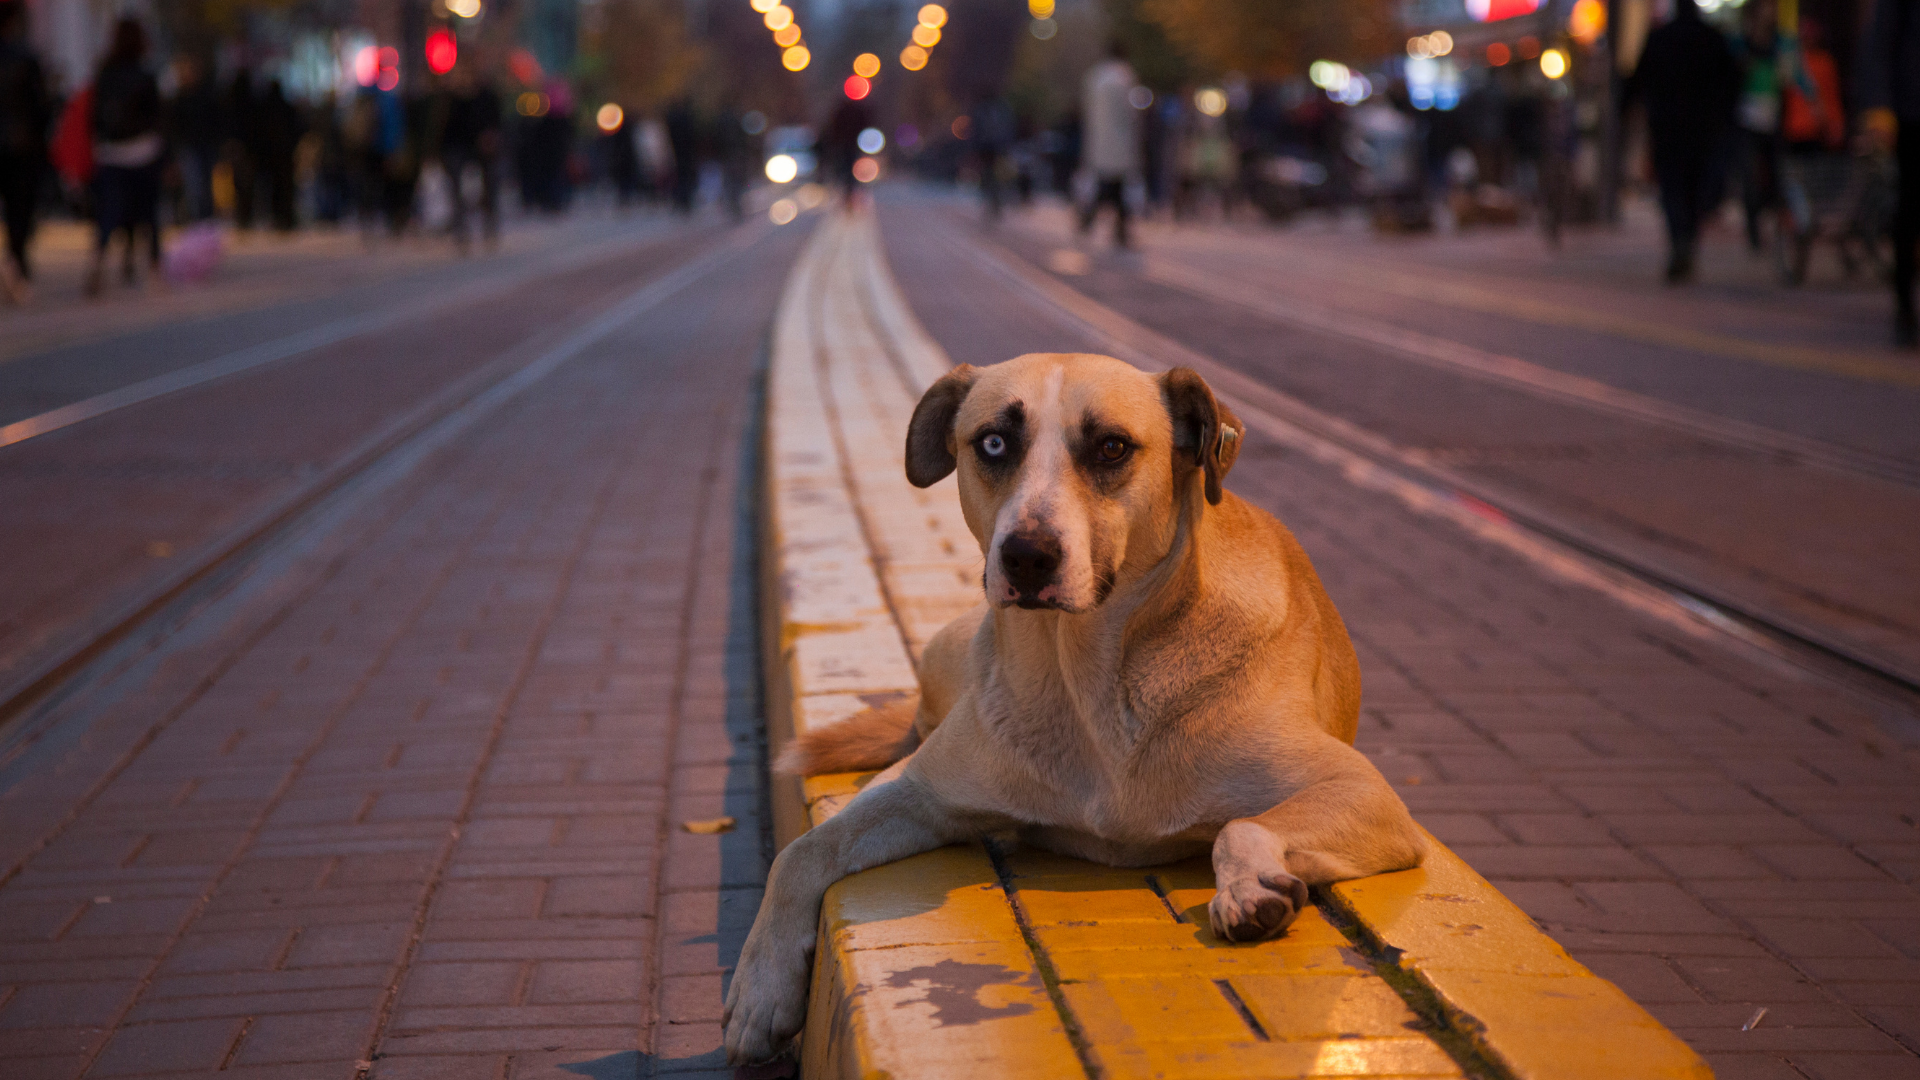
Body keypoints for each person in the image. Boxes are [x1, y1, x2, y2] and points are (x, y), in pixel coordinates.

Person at [1626, 0, 1741, 283]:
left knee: (1673, 188)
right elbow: (1733, 82)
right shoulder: (1712, 39)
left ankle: (1680, 241)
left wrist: (1629, 110)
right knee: (1694, 189)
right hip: (1702, 130)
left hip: (1668, 129)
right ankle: (1686, 241)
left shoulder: (1659, 38)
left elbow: (1636, 81)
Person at [87, 18, 165, 296]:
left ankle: (98, 260)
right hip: (143, 150)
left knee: (110, 211)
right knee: (149, 212)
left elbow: (95, 117)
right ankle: (155, 271)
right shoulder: (145, 74)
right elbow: (157, 117)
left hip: (111, 152)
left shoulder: (105, 75)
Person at [1858, 0, 1920, 345]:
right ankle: (1904, 308)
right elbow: (1881, 43)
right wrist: (1880, 108)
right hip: (1912, 112)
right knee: (1909, 208)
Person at [0, 0, 49, 303]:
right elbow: (39, 106)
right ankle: (17, 264)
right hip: (21, 146)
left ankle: (15, 267)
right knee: (20, 210)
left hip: (17, 143)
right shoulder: (24, 57)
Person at [1079, 40, 1139, 247]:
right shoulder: (1125, 76)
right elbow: (1130, 112)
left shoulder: (1095, 77)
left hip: (1098, 140)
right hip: (1120, 141)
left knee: (1105, 184)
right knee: (1117, 186)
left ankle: (1090, 217)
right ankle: (1119, 230)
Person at [168, 54, 222, 222]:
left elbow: (216, 121)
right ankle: (197, 217)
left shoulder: (206, 96)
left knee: (205, 183)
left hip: (205, 145)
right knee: (194, 184)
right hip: (189, 146)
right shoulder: (180, 98)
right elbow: (174, 125)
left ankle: (205, 217)